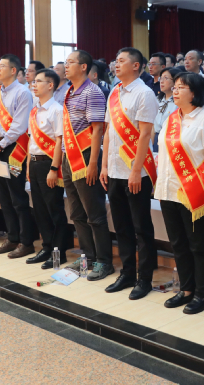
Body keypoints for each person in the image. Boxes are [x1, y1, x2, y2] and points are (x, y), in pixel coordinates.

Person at [156, 72, 204, 314]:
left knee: (200, 245)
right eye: (174, 87)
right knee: (178, 244)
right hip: (169, 192)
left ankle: (203, 294)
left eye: (181, 87)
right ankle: (186, 290)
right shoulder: (171, 118)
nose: (175, 91)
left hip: (196, 193)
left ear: (194, 92)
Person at [100, 47, 158, 299]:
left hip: (136, 173)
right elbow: (109, 132)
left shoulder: (144, 94)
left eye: (121, 60)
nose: (116, 64)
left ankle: (145, 279)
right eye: (115, 60)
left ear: (136, 65)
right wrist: (104, 166)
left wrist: (136, 170)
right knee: (121, 226)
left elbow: (145, 135)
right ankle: (127, 273)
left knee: (141, 227)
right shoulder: (114, 92)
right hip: (114, 170)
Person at [61, 50, 112, 280]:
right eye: (66, 62)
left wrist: (93, 164)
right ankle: (87, 257)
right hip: (68, 156)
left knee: (94, 213)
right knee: (77, 213)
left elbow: (98, 128)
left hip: (86, 156)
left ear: (83, 67)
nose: (66, 66)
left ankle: (104, 261)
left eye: (71, 62)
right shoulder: (69, 91)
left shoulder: (92, 91)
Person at [0, 54, 35, 258]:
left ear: (13, 70)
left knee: (17, 198)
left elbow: (19, 126)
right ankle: (12, 237)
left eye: (2, 66)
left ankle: (26, 242)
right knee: (4, 197)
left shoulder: (23, 93)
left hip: (14, 149)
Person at [24, 68, 70, 267]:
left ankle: (59, 253)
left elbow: (60, 141)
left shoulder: (57, 110)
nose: (34, 85)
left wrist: (54, 168)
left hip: (49, 164)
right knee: (40, 209)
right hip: (34, 163)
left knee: (54, 210)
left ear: (50, 85)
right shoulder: (34, 110)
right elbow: (31, 140)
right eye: (33, 81)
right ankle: (46, 247)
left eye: (38, 81)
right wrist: (28, 165)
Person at [153, 67, 178, 151]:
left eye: (166, 78)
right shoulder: (157, 100)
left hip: (171, 139)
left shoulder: (178, 102)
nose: (161, 81)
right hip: (156, 138)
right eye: (161, 78)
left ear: (175, 81)